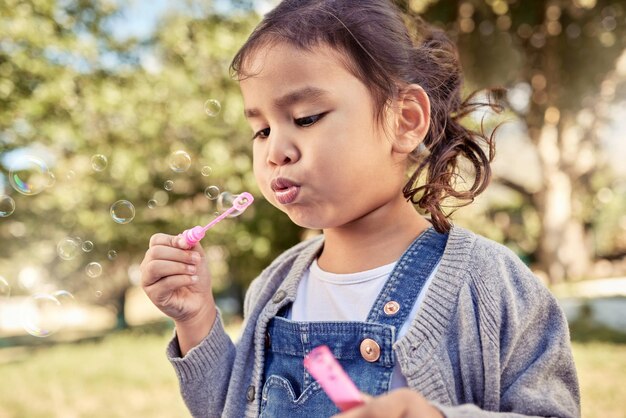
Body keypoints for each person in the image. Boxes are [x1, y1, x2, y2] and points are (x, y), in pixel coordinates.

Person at [140, 0, 580, 417]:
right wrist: (196, 320)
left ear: (404, 120)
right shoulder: (272, 289)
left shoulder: (491, 285)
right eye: (260, 130)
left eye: (307, 117)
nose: (276, 150)